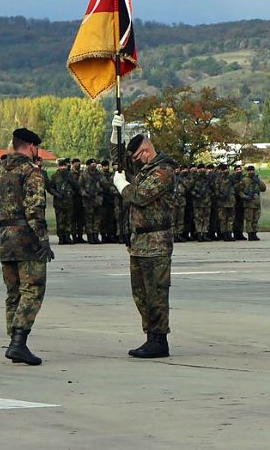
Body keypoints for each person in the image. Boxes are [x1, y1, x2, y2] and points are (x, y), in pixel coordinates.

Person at [0, 128, 54, 366]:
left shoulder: (0, 172)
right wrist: (43, 240)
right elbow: (35, 209)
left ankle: (15, 342)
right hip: (26, 238)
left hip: (5, 238)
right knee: (32, 289)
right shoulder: (31, 172)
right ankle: (19, 343)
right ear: (32, 147)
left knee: (13, 293)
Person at [110, 113, 176, 358]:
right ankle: (150, 336)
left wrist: (122, 186)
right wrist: (115, 136)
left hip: (156, 242)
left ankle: (159, 340)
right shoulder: (146, 169)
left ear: (147, 150)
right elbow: (118, 162)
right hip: (139, 242)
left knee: (156, 293)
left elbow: (140, 196)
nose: (136, 161)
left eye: (138, 156)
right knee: (140, 293)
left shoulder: (163, 172)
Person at [238, 164, 267, 240]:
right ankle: (250, 234)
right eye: (249, 170)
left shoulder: (257, 180)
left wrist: (258, 181)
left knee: (256, 219)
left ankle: (254, 233)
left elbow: (263, 188)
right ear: (247, 171)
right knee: (249, 219)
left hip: (256, 203)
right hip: (248, 203)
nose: (251, 172)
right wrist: (245, 197)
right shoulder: (244, 180)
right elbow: (239, 191)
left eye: (252, 170)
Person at [79, 158, 105, 244]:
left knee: (97, 219)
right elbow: (80, 186)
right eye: (92, 164)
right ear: (88, 165)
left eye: (95, 164)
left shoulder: (99, 174)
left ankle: (96, 235)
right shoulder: (84, 175)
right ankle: (90, 236)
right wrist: (84, 193)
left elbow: (105, 184)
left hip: (98, 199)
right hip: (88, 200)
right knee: (89, 219)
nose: (93, 165)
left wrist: (101, 189)